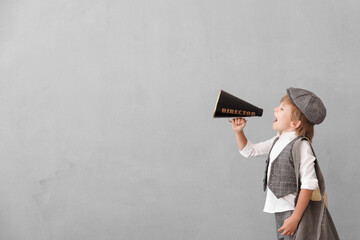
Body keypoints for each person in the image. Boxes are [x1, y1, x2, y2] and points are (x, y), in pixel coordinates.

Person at [232, 87, 326, 240]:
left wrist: (295, 218)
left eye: (282, 108)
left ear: (295, 123)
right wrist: (239, 132)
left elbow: (309, 183)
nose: (275, 109)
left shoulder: (301, 145)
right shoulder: (278, 140)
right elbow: (250, 151)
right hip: (281, 210)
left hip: (294, 210)